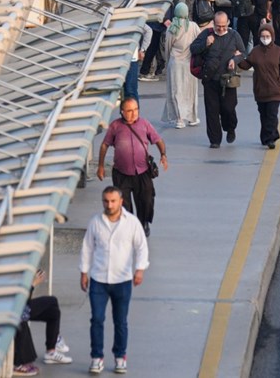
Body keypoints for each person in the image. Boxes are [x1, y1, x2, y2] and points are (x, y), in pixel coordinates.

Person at [80, 186, 150, 375]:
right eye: (106, 201)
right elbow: (87, 248)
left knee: (120, 322)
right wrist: (84, 272)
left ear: (121, 202)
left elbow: (141, 247)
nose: (109, 205)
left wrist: (140, 269)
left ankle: (120, 357)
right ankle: (97, 357)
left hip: (123, 280)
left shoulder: (132, 223)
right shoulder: (96, 222)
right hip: (99, 280)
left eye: (112, 201)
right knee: (97, 319)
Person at [97, 98, 168, 235]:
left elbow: (158, 140)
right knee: (124, 203)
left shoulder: (144, 124)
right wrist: (100, 166)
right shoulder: (115, 126)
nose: (133, 113)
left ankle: (143, 224)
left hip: (143, 172)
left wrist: (163, 154)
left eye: (136, 110)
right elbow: (105, 145)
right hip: (121, 172)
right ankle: (129, 227)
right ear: (122, 112)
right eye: (129, 111)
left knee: (146, 200)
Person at [189, 11, 245, 149]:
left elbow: (243, 53)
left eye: (223, 26)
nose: (221, 28)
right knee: (212, 110)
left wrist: (234, 59)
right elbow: (193, 49)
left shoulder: (234, 35)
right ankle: (215, 140)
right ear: (213, 23)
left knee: (228, 108)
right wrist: (206, 44)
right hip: (210, 79)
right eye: (218, 26)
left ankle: (230, 128)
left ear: (228, 24)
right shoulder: (206, 34)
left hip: (228, 80)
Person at [237, 24, 280, 149]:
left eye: (267, 36)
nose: (265, 38)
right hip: (260, 91)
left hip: (275, 92)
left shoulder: (278, 52)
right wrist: (238, 58)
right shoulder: (255, 51)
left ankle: (271, 138)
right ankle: (267, 136)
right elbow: (246, 65)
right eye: (262, 36)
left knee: (272, 115)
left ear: (272, 36)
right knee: (264, 115)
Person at [12, 269, 72, 375]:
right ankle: (19, 364)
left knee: (53, 307)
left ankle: (51, 350)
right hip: (15, 307)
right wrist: (33, 283)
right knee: (22, 317)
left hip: (20, 303)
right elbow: (22, 301)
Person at [162, 3, 201, 128]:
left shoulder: (172, 28)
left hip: (175, 62)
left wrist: (168, 60)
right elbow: (199, 41)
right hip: (190, 62)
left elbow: (167, 47)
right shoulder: (193, 26)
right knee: (190, 90)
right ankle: (192, 117)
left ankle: (179, 119)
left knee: (176, 90)